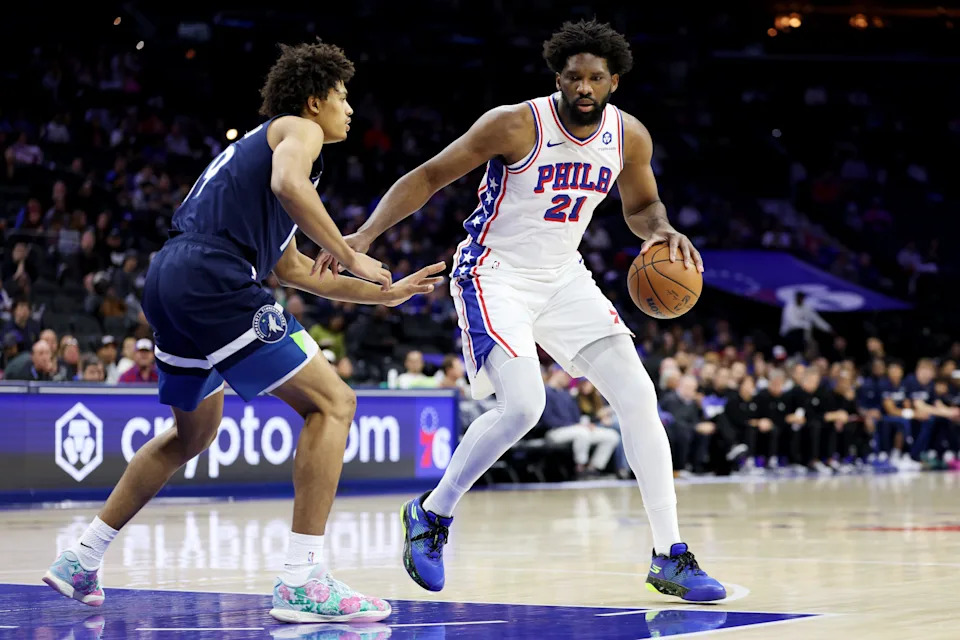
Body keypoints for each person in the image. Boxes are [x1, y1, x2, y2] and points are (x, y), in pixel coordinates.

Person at [42, 41, 443, 624]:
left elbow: (299, 273)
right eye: (343, 96)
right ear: (314, 101)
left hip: (172, 277)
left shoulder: (253, 166)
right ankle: (302, 579)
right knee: (335, 403)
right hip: (213, 276)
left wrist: (389, 290)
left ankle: (82, 557)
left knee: (191, 436)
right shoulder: (295, 132)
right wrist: (353, 255)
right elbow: (290, 187)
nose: (350, 108)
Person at [344, 20, 724, 601]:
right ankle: (431, 513)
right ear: (559, 78)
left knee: (640, 398)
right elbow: (428, 176)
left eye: (596, 77)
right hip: (492, 272)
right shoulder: (515, 123)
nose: (585, 87)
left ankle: (669, 555)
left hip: (564, 277)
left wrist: (661, 232)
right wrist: (363, 237)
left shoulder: (629, 137)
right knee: (524, 406)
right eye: (574, 76)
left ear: (614, 82)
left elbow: (643, 205)